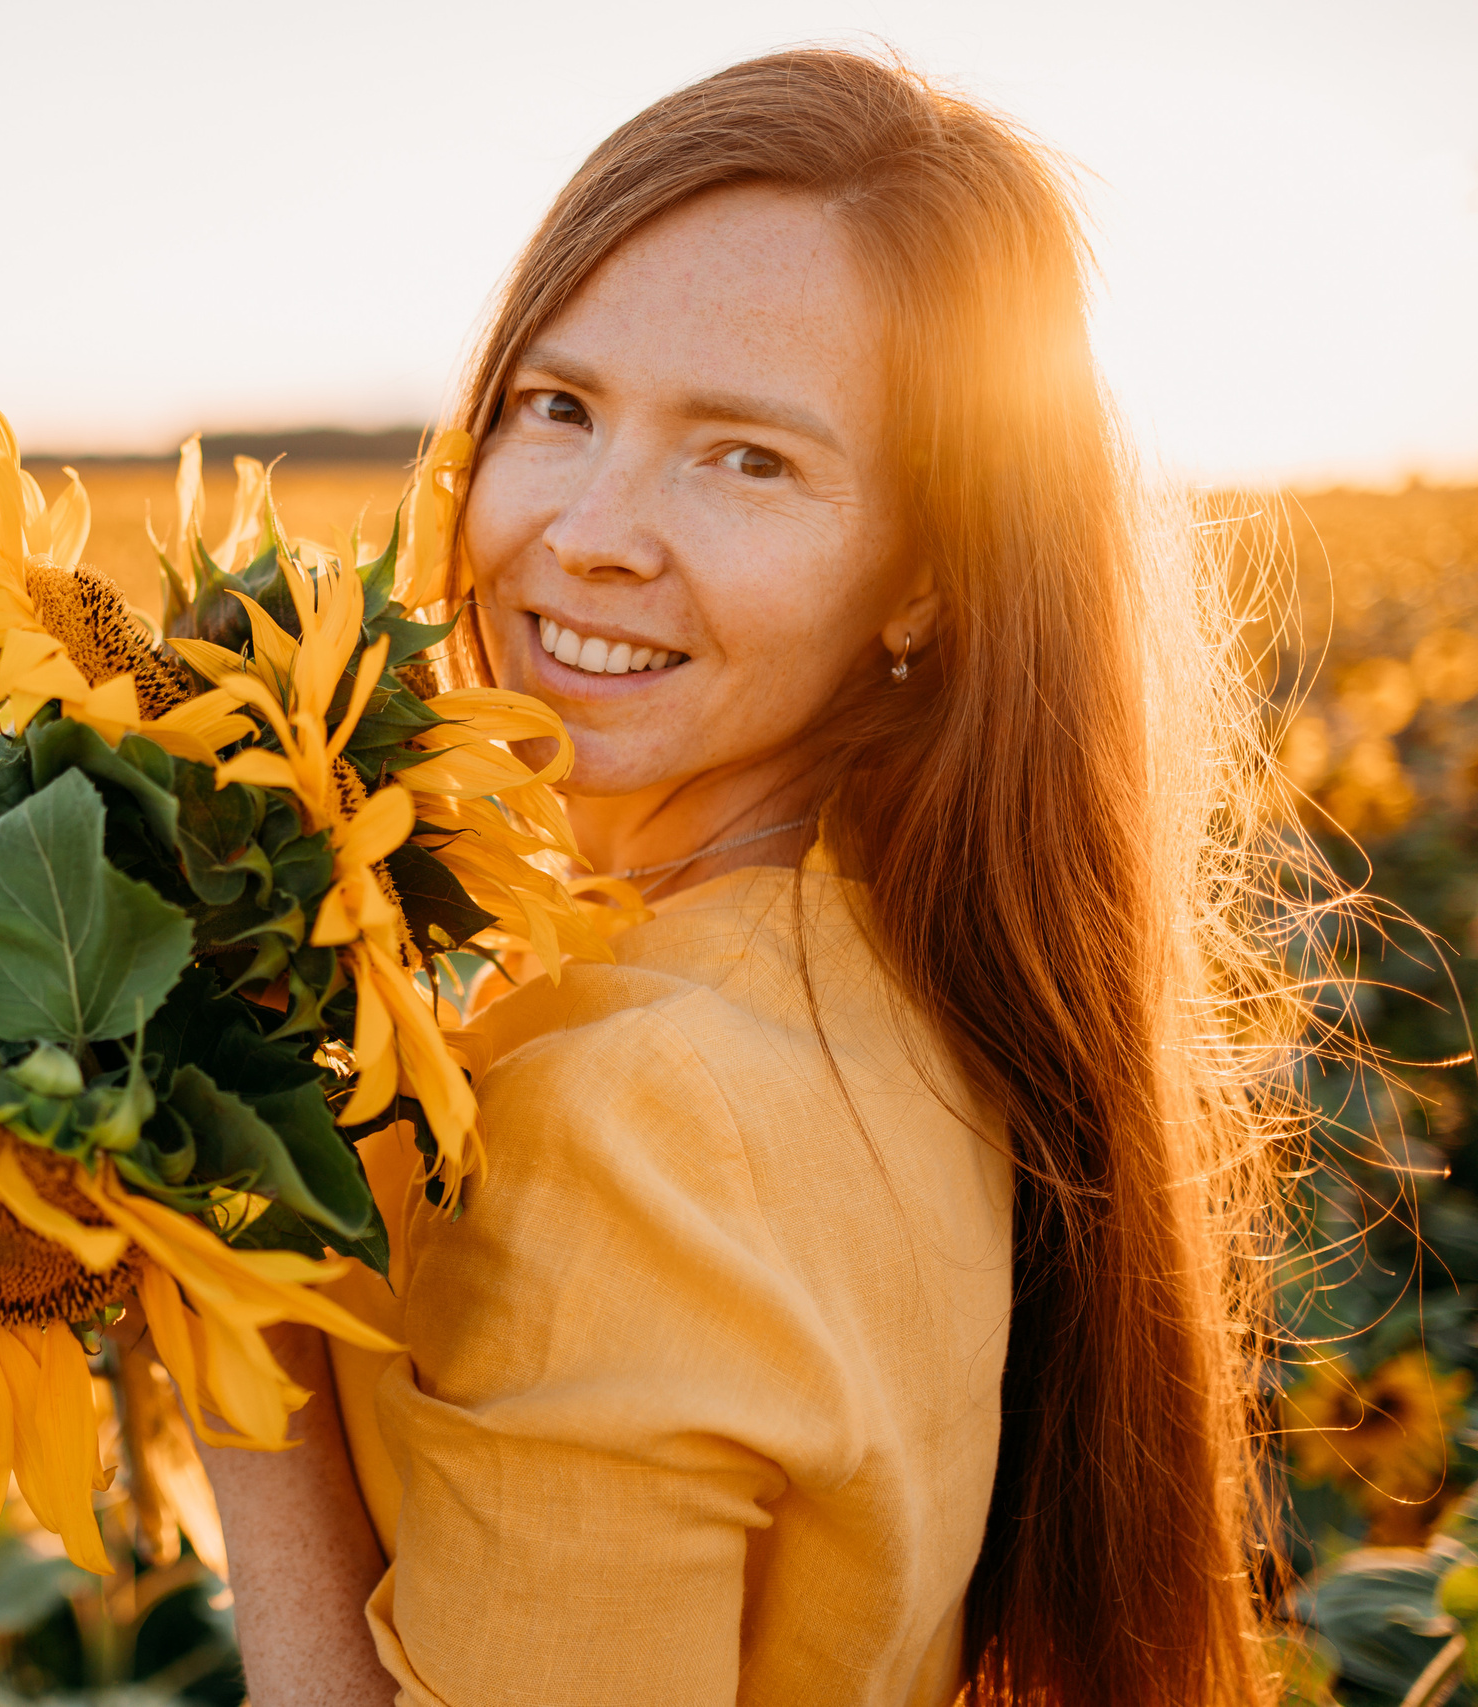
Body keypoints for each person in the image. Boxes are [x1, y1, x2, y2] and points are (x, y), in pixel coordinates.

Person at [192, 48, 1287, 1707]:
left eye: (747, 458)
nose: (594, 530)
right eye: (557, 408)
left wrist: (232, 1314)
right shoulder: (909, 991)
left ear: (925, 576)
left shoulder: (625, 1119)